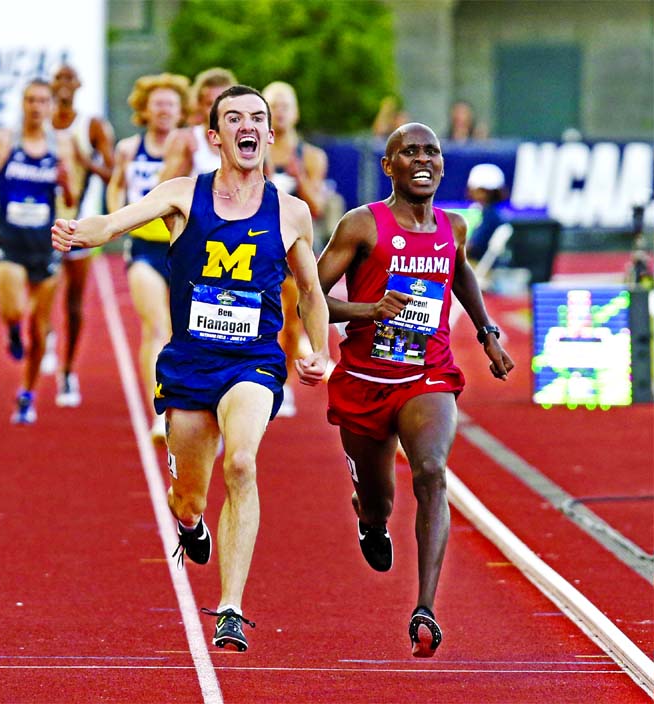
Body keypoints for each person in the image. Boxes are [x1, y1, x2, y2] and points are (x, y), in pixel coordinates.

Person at [52, 85, 330, 651]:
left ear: (269, 136)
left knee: (245, 462)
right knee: (190, 498)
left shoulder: (291, 211)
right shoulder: (184, 193)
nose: (247, 126)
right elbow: (118, 222)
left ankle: (230, 606)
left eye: (257, 118)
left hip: (253, 362)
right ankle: (189, 525)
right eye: (234, 118)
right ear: (215, 137)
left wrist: (318, 351)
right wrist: (88, 230)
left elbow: (310, 290)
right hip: (189, 364)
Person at [316, 122, 514, 658]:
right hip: (364, 379)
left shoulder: (453, 226)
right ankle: (370, 517)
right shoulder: (362, 225)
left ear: (443, 164)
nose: (422, 159)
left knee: (430, 470)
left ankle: (425, 606)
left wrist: (487, 333)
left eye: (432, 151)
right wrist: (366, 310)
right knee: (379, 501)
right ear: (390, 166)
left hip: (428, 373)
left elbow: (460, 273)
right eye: (410, 152)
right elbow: (310, 298)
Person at [0, 78, 76, 424]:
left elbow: (71, 197)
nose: (35, 106)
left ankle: (27, 395)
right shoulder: (3, 140)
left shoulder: (60, 145)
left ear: (50, 107)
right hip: (10, 244)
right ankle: (11, 330)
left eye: (42, 101)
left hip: (44, 248)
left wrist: (64, 182)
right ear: (23, 103)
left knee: (40, 327)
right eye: (30, 99)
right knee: (14, 310)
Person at [106, 73, 191, 440]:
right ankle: (158, 413)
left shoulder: (190, 147)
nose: (164, 111)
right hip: (144, 247)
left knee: (183, 334)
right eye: (157, 103)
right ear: (145, 108)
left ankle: (191, 409)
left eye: (171, 104)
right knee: (156, 329)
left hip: (184, 248)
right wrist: (116, 222)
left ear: (180, 110)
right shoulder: (129, 148)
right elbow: (115, 187)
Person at [48, 64, 116, 407]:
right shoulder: (38, 124)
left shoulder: (91, 126)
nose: (63, 84)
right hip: (40, 226)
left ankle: (67, 372)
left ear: (78, 85)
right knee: (37, 293)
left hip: (76, 225)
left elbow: (113, 174)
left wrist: (83, 162)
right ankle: (43, 335)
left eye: (68, 78)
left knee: (73, 303)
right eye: (57, 78)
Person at [263, 80, 329, 417]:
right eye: (274, 104)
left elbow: (317, 206)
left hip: (293, 248)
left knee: (289, 322)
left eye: (286, 105)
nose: (280, 111)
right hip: (256, 243)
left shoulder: (311, 156)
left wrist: (298, 175)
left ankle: (283, 382)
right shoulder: (250, 149)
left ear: (296, 111)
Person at [156, 67, 237, 181]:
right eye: (210, 104)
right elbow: (162, 191)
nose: (218, 110)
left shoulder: (250, 140)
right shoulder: (185, 141)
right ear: (199, 105)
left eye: (223, 102)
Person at [464, 162, 508, 263]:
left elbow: (472, 247)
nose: (483, 195)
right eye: (480, 191)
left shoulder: (490, 216)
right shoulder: (477, 212)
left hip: (481, 270)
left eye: (487, 192)